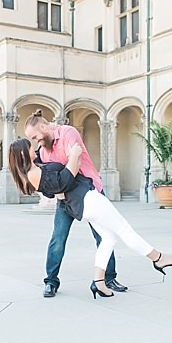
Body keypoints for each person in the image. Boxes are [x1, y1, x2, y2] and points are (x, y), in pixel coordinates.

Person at [9, 138, 172, 298]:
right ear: (24, 153)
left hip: (83, 204)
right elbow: (64, 182)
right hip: (88, 199)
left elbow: (58, 190)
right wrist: (74, 155)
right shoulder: (33, 173)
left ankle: (99, 281)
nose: (34, 147)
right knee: (124, 229)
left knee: (108, 239)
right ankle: (158, 259)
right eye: (30, 147)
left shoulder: (33, 168)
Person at [24, 110, 126, 298]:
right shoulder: (44, 151)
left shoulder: (68, 133)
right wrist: (57, 191)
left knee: (103, 236)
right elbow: (49, 178)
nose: (36, 142)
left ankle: (109, 278)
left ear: (44, 127)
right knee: (58, 238)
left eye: (35, 136)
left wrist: (60, 189)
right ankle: (51, 281)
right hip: (65, 199)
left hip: (90, 193)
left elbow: (75, 161)